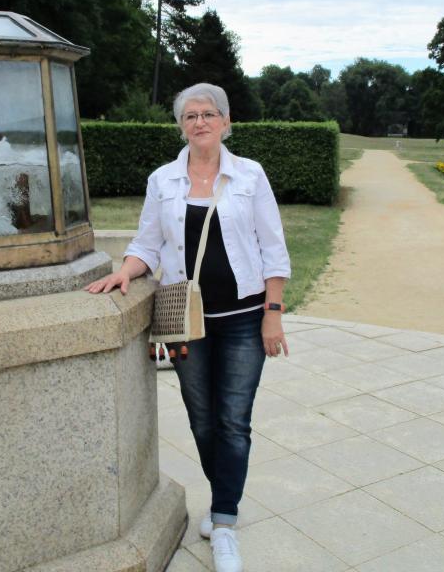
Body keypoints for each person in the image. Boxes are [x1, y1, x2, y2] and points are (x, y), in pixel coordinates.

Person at [86, 82, 291, 572]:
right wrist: (125, 271)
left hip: (244, 319)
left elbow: (273, 248)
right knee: (202, 420)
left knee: (233, 420)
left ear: (225, 121)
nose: (200, 122)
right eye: (190, 116)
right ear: (181, 126)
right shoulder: (163, 180)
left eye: (208, 114)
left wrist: (273, 313)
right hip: (185, 322)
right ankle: (225, 501)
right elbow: (147, 243)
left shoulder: (250, 175)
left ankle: (223, 521)